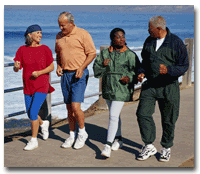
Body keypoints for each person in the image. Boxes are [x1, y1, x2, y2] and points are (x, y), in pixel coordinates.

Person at [136, 16, 189, 162]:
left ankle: (166, 147)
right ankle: (148, 145)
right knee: (142, 114)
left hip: (169, 87)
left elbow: (184, 66)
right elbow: (144, 61)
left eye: (150, 28)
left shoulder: (176, 42)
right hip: (150, 85)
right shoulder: (149, 41)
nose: (148, 30)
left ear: (159, 29)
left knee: (168, 119)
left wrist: (169, 70)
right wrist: (141, 72)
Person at [93, 28, 141, 158]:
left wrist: (129, 79)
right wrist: (103, 65)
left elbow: (138, 73)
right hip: (108, 88)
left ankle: (107, 146)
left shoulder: (130, 55)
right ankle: (119, 139)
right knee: (114, 115)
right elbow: (96, 72)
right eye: (118, 37)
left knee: (113, 116)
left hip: (122, 88)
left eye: (123, 37)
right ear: (112, 40)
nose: (121, 39)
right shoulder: (105, 54)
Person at [55, 12, 96, 150]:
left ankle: (82, 133)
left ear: (71, 23)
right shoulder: (59, 36)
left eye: (63, 25)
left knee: (75, 107)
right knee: (68, 108)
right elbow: (58, 53)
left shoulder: (83, 34)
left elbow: (92, 53)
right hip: (65, 75)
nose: (61, 28)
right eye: (59, 25)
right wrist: (59, 65)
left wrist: (82, 67)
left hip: (79, 74)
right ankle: (71, 135)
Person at [13, 24, 55, 151]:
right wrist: (15, 66)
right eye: (37, 33)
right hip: (28, 86)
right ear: (29, 35)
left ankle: (34, 140)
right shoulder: (21, 49)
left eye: (41, 33)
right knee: (30, 112)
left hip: (42, 84)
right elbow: (17, 68)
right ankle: (43, 123)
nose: (40, 35)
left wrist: (39, 73)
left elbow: (51, 67)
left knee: (32, 112)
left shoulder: (45, 49)